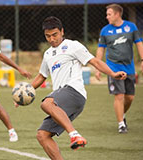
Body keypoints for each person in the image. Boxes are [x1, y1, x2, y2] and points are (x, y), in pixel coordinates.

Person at [15, 16, 126, 160]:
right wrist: (23, 94)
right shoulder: (48, 54)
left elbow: (94, 61)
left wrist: (112, 73)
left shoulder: (73, 46)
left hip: (74, 91)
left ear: (62, 31)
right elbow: (41, 76)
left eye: (55, 34)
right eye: (48, 36)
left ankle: (74, 135)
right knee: (42, 135)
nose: (52, 39)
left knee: (46, 103)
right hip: (61, 100)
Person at [95, 4, 143, 133]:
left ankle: (121, 115)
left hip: (129, 68)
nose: (107, 17)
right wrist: (98, 68)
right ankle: (121, 124)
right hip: (113, 68)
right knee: (119, 96)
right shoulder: (105, 31)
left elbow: (139, 43)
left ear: (118, 14)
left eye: (109, 14)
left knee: (129, 97)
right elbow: (101, 49)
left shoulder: (131, 27)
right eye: (107, 14)